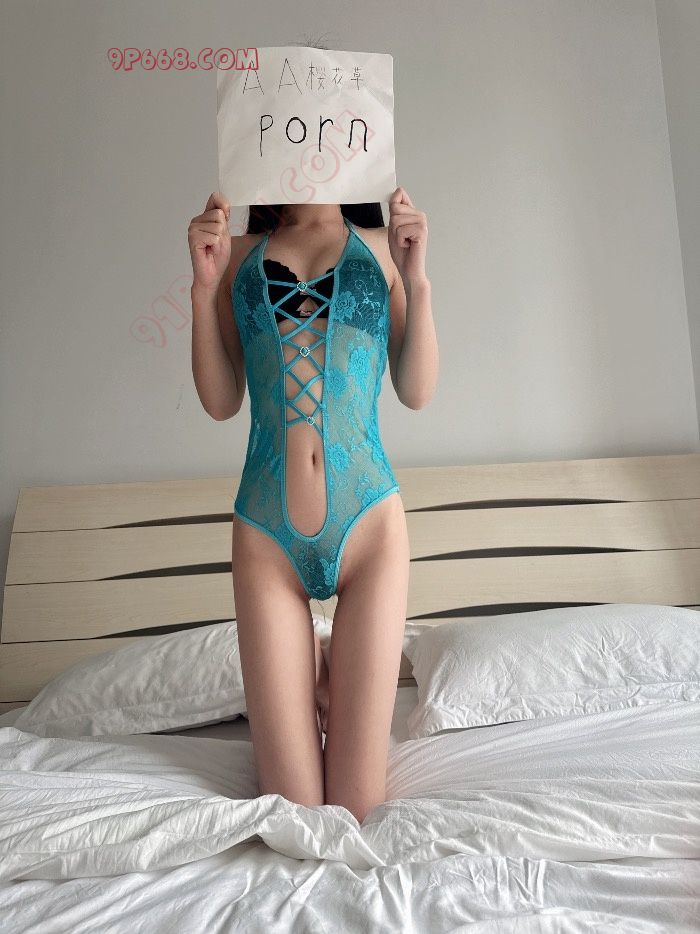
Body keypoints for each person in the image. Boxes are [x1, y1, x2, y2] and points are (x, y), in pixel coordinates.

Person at [188, 188, 438, 823]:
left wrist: (417, 279)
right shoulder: (237, 254)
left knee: (356, 808)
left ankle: (329, 664)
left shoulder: (385, 249)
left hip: (370, 530)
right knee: (294, 811)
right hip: (266, 538)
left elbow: (416, 390)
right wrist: (202, 288)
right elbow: (221, 402)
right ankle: (317, 661)